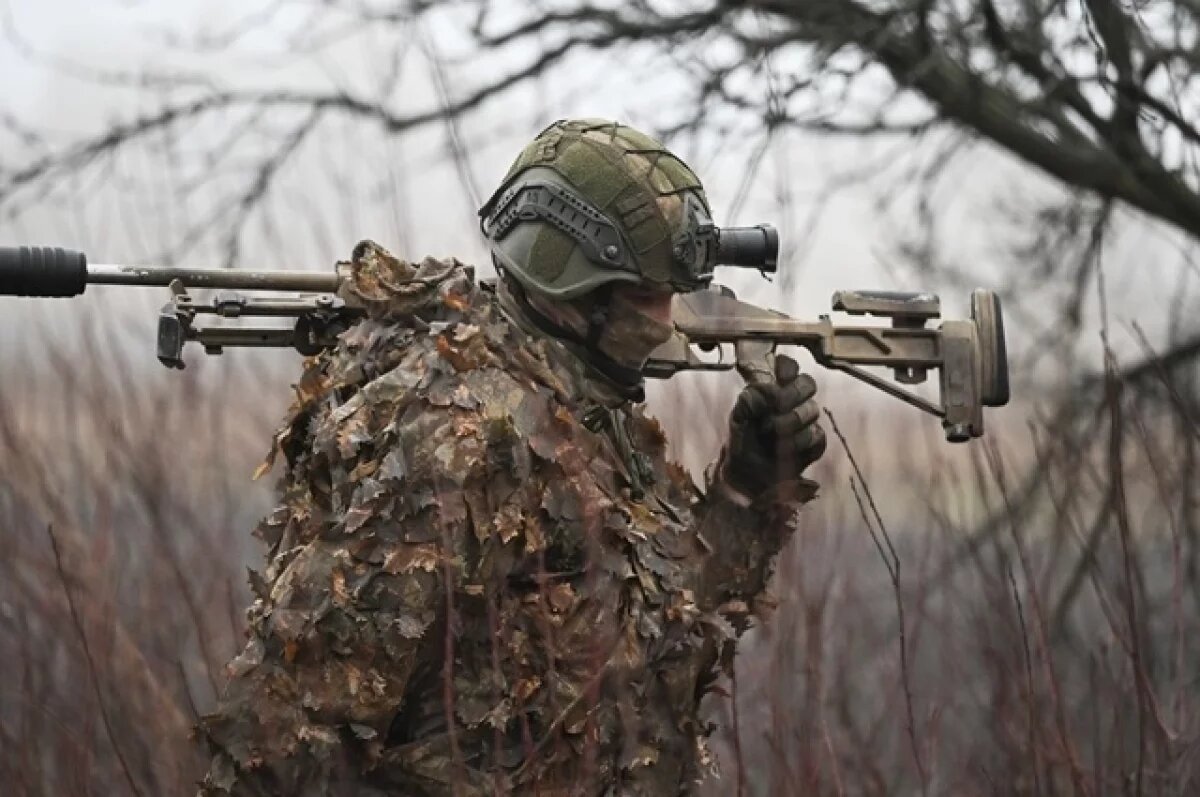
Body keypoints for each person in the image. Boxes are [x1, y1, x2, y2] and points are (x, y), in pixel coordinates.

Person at [199, 118, 826, 796]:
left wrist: (749, 490)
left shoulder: (595, 421)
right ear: (575, 288)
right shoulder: (457, 437)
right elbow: (291, 728)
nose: (668, 320)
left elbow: (662, 663)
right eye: (646, 294)